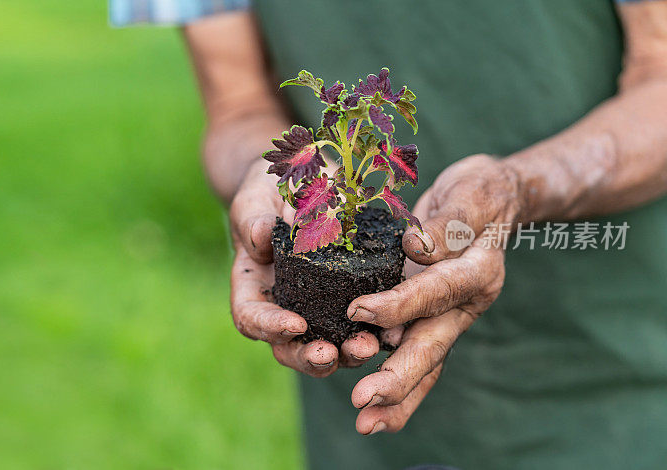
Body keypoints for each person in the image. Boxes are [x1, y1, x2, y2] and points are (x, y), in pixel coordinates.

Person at [112, 0, 667, 468]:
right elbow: (237, 104)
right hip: (357, 378)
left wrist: (516, 186)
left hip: (609, 360)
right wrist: (266, 176)